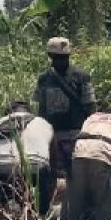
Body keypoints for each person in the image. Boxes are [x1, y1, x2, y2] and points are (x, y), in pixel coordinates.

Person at [32, 37, 97, 179]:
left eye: (64, 57)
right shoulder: (44, 79)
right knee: (57, 176)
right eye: (58, 58)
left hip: (76, 135)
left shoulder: (81, 77)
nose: (62, 61)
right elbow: (40, 109)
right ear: (51, 57)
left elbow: (90, 106)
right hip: (53, 136)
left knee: (76, 175)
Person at [0, 100, 55, 217]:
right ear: (29, 112)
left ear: (7, 113)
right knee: (46, 172)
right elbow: (53, 160)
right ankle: (42, 213)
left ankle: (6, 206)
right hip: (36, 168)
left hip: (2, 170)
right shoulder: (44, 124)